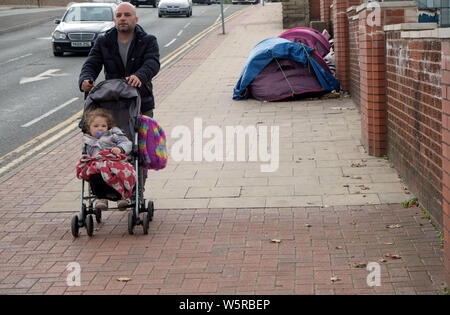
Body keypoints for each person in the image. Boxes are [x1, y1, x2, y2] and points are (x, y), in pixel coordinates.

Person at [78, 2, 160, 118]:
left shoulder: (148, 40)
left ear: (136, 19)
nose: (122, 18)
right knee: (113, 136)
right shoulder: (103, 41)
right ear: (114, 20)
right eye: (119, 15)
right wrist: (85, 79)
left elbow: (152, 63)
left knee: (142, 136)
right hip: (113, 102)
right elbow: (91, 63)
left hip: (141, 102)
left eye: (127, 15)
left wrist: (139, 76)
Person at [82, 108, 133, 211]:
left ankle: (122, 197)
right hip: (98, 167)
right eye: (96, 126)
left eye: (103, 126)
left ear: (108, 127)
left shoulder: (113, 135)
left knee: (121, 173)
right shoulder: (88, 141)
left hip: (114, 164)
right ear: (89, 128)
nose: (100, 129)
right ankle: (101, 198)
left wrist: (120, 149)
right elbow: (86, 157)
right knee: (93, 176)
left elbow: (127, 143)